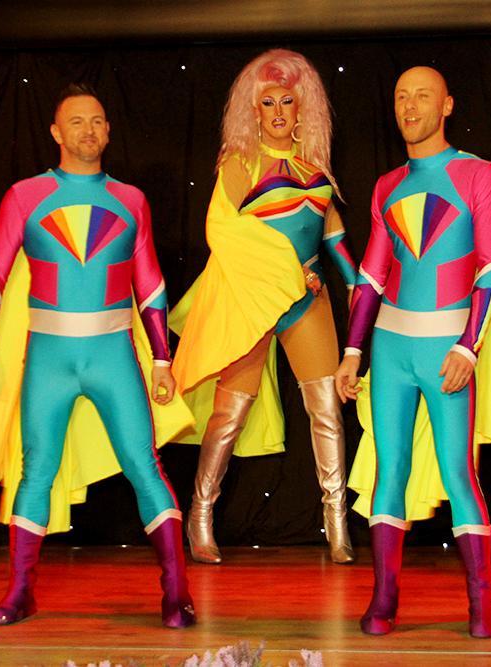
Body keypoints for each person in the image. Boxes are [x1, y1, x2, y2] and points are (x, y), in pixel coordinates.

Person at [0, 84, 195, 628]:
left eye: (97, 121)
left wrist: (162, 359)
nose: (88, 130)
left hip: (113, 352)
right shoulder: (25, 195)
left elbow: (150, 285)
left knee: (144, 465)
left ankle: (176, 590)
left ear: (108, 131)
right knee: (35, 470)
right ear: (56, 132)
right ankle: (20, 591)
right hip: (49, 355)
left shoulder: (131, 199)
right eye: (77, 122)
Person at [335, 66, 491, 638]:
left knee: (458, 472)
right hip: (391, 347)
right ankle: (383, 600)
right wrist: (353, 351)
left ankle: (482, 602)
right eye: (401, 96)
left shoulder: (478, 174)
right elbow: (371, 276)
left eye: (422, 96)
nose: (410, 106)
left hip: (447, 344)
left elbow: (490, 268)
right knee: (390, 471)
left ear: (447, 105)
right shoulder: (387, 185)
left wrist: (469, 346)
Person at [170, 49, 358, 565]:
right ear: (254, 110)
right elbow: (221, 232)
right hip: (251, 301)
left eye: (287, 101)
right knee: (229, 413)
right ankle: (200, 515)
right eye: (268, 102)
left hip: (306, 301)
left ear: (302, 109)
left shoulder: (315, 169)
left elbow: (334, 240)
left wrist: (357, 288)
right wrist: (288, 272)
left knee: (326, 410)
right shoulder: (239, 165)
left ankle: (337, 522)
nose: (278, 111)